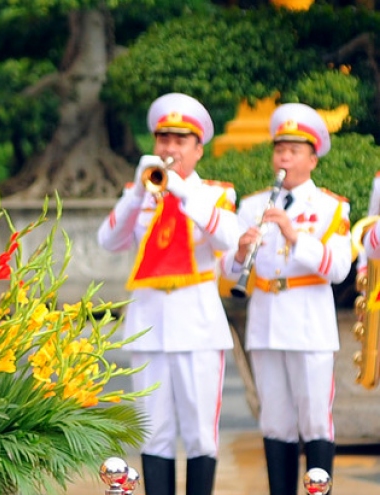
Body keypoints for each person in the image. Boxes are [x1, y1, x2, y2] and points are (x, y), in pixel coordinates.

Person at [97, 93, 239, 495]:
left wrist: (179, 190)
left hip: (197, 326)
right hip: (149, 325)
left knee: (200, 435)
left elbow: (228, 237)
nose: (169, 149)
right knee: (153, 433)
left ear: (198, 149)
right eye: (163, 140)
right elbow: (108, 240)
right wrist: (137, 194)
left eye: (180, 141)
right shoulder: (140, 193)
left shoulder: (215, 193)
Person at [220, 103, 350, 495]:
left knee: (314, 420)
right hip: (265, 320)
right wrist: (241, 252)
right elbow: (226, 270)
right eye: (279, 150)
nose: (284, 157)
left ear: (312, 159)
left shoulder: (331, 206)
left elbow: (339, 268)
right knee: (274, 421)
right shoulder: (252, 205)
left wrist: (295, 236)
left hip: (310, 323)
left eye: (294, 151)